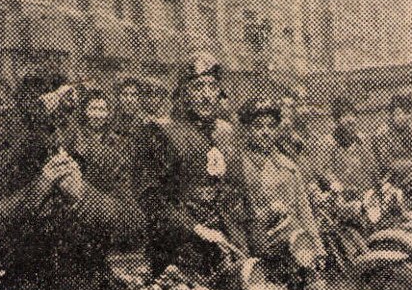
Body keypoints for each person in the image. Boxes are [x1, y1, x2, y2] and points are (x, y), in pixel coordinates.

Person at [0, 70, 147, 290]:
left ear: (74, 112)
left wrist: (83, 196)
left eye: (63, 117)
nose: (56, 132)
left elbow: (135, 229)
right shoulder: (11, 162)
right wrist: (36, 191)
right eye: (44, 122)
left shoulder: (105, 159)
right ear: (29, 121)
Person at [128, 52, 250, 277]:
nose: (207, 95)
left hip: (226, 245)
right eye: (198, 87)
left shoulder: (226, 133)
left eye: (212, 86)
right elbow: (151, 198)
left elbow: (239, 193)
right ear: (183, 92)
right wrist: (195, 229)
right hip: (180, 250)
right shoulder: (161, 133)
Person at [237, 97, 324, 271]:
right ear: (247, 129)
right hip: (257, 250)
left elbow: (303, 210)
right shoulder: (238, 167)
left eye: (271, 126)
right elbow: (236, 218)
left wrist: (318, 248)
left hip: (295, 248)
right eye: (258, 127)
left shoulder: (288, 166)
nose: (265, 132)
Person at [312, 96, 380, 195]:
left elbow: (371, 168)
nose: (350, 120)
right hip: (337, 193)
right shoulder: (328, 142)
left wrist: (371, 188)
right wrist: (337, 187)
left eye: (352, 115)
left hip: (362, 191)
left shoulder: (362, 140)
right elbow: (323, 171)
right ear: (337, 120)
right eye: (345, 116)